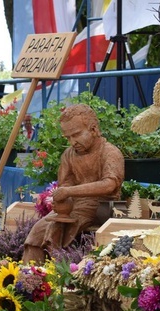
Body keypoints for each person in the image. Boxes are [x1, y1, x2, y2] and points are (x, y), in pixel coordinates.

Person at [22, 104, 124, 263]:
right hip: (74, 205)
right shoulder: (68, 155)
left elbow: (109, 185)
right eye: (68, 137)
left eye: (76, 134)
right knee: (39, 229)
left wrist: (70, 192)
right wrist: (63, 195)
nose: (72, 141)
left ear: (93, 129)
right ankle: (30, 274)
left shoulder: (110, 152)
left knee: (57, 227)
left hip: (104, 205)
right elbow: (65, 185)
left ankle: (58, 272)